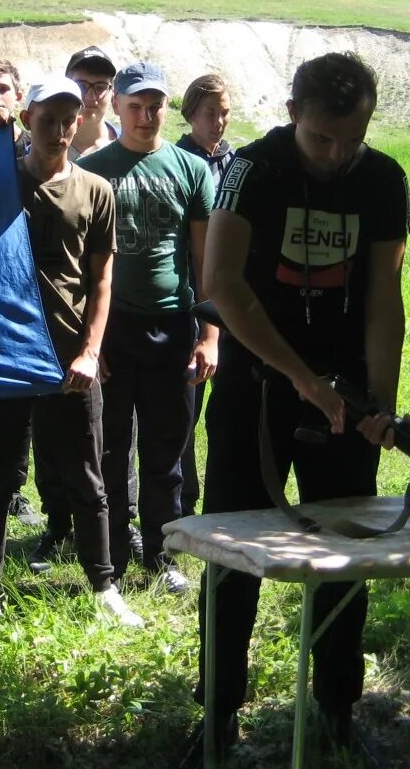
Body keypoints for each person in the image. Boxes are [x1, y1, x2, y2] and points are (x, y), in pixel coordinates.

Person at [184, 52, 410, 766]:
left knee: (343, 552)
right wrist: (302, 378)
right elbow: (222, 283)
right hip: (256, 387)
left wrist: (377, 403)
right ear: (292, 116)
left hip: (340, 394)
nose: (338, 155)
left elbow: (383, 300)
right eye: (322, 139)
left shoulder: (383, 180)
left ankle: (337, 709)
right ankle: (219, 712)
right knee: (233, 551)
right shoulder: (250, 170)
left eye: (353, 139)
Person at [0, 76, 142, 627]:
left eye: (69, 117)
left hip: (68, 355)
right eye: (47, 117)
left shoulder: (95, 190)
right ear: (27, 120)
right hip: (6, 353)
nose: (60, 128)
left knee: (87, 476)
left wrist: (91, 351)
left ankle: (103, 586)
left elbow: (102, 280)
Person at [79, 61, 217, 594]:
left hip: (173, 326)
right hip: (113, 331)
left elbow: (204, 265)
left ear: (166, 108)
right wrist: (90, 342)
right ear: (115, 106)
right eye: (134, 105)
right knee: (111, 452)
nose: (144, 115)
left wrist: (210, 336)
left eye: (154, 104)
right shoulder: (94, 170)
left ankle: (162, 555)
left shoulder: (192, 170)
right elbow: (84, 268)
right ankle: (110, 558)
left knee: (167, 453)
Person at [0, 59, 47, 530]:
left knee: (32, 401)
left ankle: (21, 490)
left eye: (4, 89)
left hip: (31, 290)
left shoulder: (32, 147)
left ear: (18, 99)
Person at [175, 73, 235, 517]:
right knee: (185, 414)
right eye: (210, 113)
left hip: (235, 298)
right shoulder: (177, 162)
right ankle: (182, 501)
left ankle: (227, 495)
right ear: (191, 113)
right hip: (194, 300)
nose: (218, 122)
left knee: (229, 409)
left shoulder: (238, 163)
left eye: (225, 113)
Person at [65, 46, 119, 159]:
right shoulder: (46, 147)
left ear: (112, 93)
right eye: (81, 86)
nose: (90, 97)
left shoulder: (128, 145)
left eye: (100, 87)